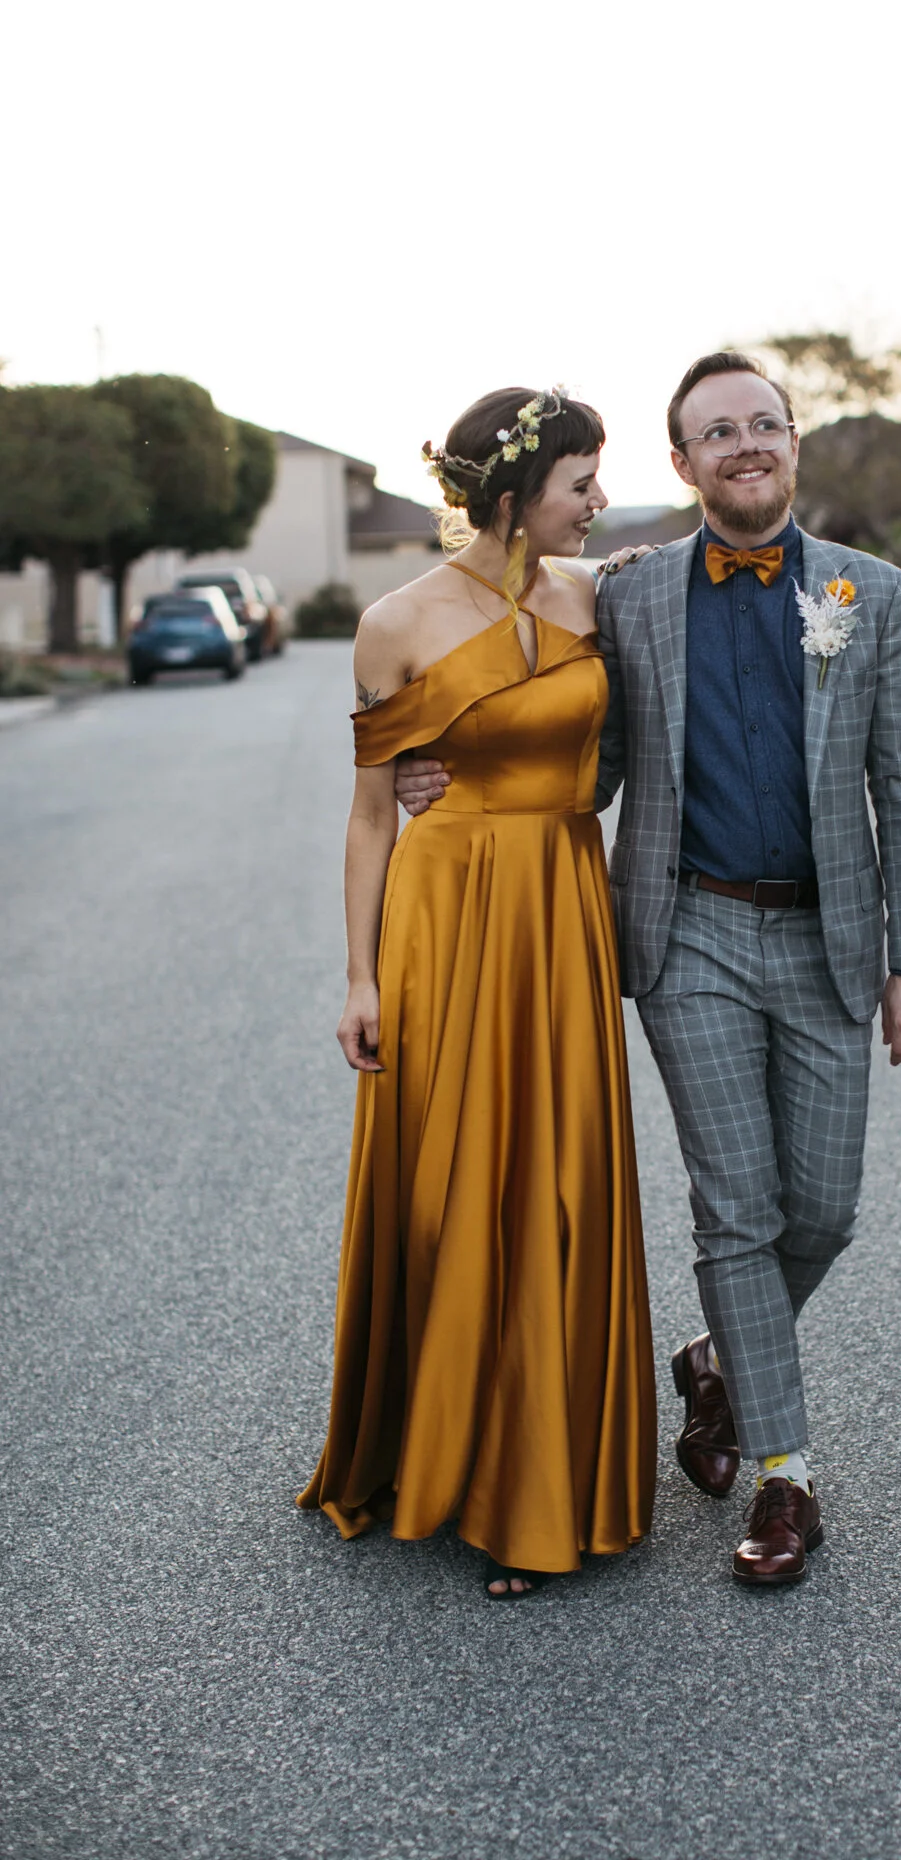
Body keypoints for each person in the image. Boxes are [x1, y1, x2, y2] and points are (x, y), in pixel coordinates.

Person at [397, 350, 901, 1587]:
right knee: (738, 1209)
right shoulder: (633, 597)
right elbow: (577, 746)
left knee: (825, 1208)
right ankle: (785, 1474)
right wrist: (456, 776)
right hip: (688, 929)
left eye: (764, 423)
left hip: (826, 939)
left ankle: (714, 1362)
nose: (744, 444)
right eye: (717, 431)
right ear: (683, 461)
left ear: (792, 443)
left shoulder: (876, 593)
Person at [299, 386, 656, 1599]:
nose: (598, 503)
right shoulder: (396, 623)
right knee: (454, 1190)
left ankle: (539, 1479)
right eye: (580, 484)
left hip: (562, 907)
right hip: (446, 918)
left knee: (555, 1184)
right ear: (513, 495)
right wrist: (359, 974)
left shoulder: (601, 594)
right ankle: (443, 1450)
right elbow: (367, 814)